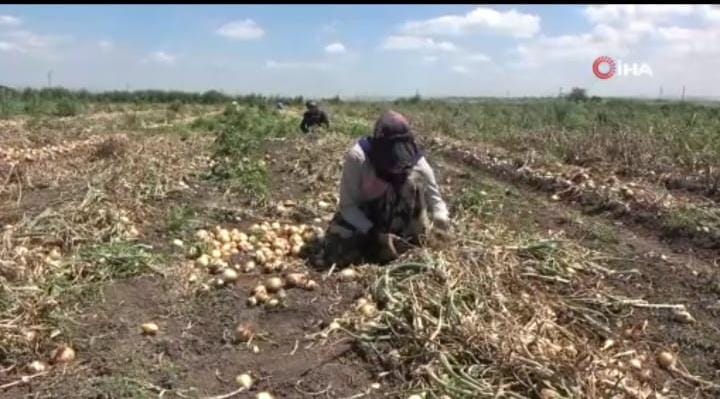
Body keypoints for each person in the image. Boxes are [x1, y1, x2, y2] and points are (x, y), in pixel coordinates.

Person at [321, 110, 450, 268]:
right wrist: (375, 234)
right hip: (367, 217)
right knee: (336, 252)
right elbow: (348, 207)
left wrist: (440, 217)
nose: (396, 168)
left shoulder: (417, 162)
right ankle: (376, 246)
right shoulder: (358, 158)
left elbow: (436, 201)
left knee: (414, 180)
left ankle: (405, 241)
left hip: (398, 215)